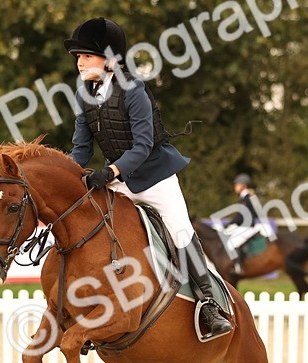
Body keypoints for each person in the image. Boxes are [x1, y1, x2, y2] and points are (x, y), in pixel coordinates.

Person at [65, 17, 232, 342]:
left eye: (87, 55)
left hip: (155, 178)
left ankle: (210, 306)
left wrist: (110, 172)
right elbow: (80, 149)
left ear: (111, 60)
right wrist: (66, 174)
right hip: (118, 178)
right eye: (78, 57)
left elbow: (141, 146)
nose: (80, 61)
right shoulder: (84, 93)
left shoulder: (133, 90)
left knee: (180, 230)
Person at [222, 174, 274, 274]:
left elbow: (243, 216)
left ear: (243, 185)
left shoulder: (247, 198)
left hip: (247, 227)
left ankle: (239, 267)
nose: (235, 187)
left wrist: (231, 223)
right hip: (244, 226)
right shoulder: (245, 198)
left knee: (232, 242)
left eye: (236, 184)